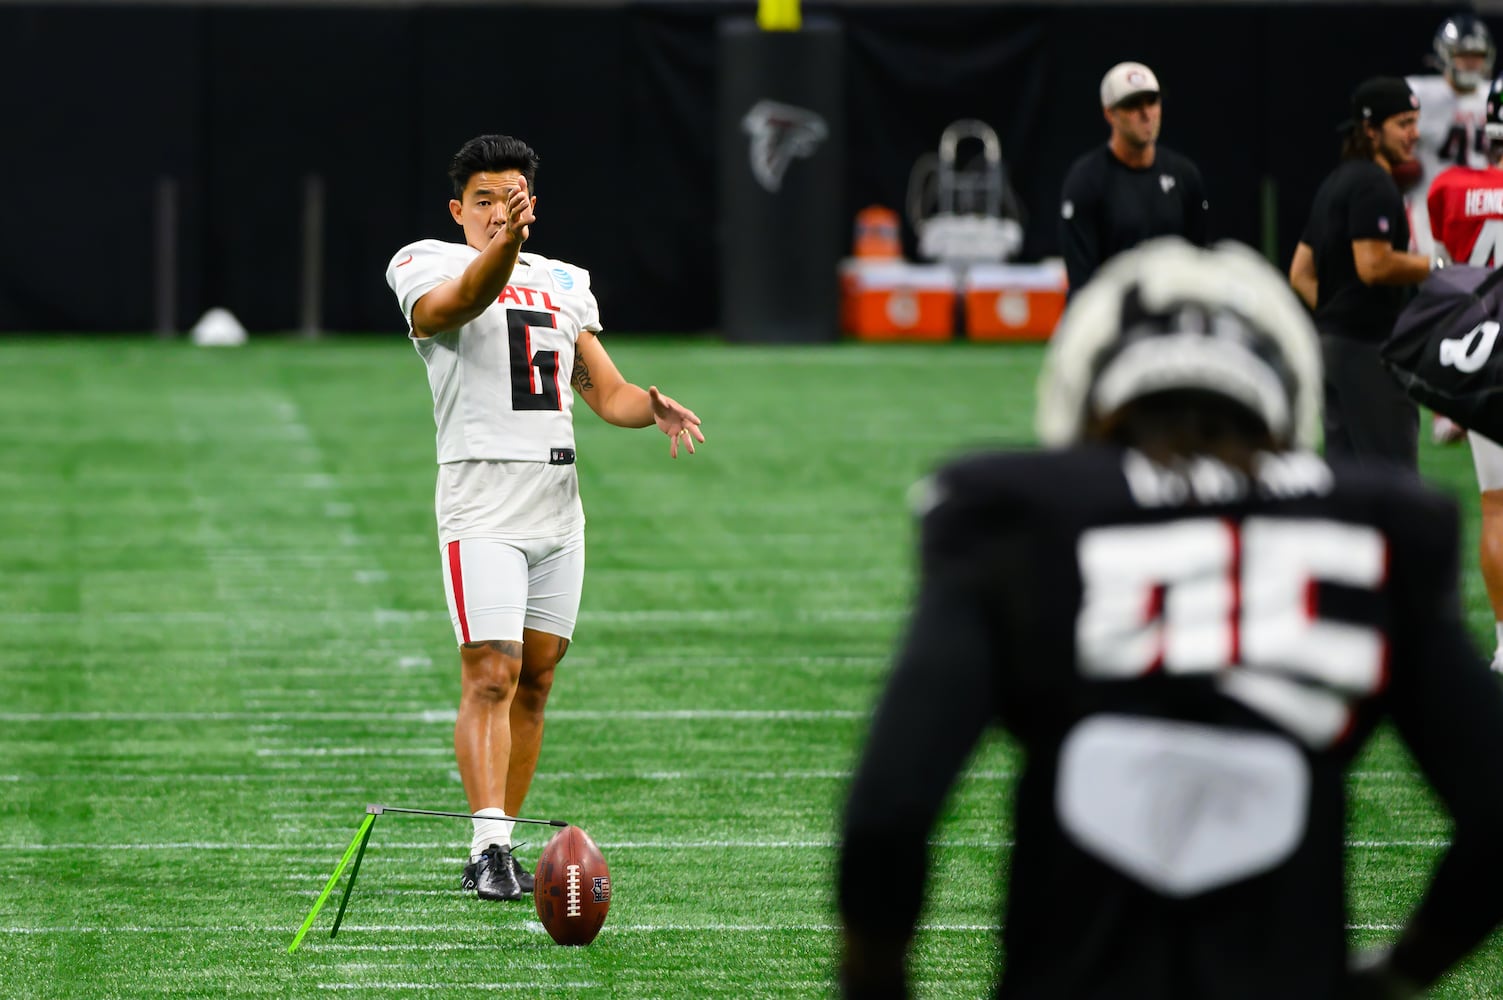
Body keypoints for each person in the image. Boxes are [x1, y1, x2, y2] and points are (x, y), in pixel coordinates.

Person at [838, 237, 1503, 999]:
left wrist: (871, 985)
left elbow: (886, 818)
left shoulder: (1014, 520)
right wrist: (1398, 973)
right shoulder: (1377, 529)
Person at [384, 134, 705, 901]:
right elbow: (460, 303)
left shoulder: (562, 281)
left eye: (512, 197)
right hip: (481, 497)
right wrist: (507, 241)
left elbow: (605, 391)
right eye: (484, 200)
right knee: (489, 670)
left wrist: (648, 407)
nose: (498, 212)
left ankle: (504, 846)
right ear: (458, 209)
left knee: (535, 680)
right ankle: (486, 845)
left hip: (558, 502)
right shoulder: (424, 260)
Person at [1289, 76, 1432, 474]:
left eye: (1415, 122)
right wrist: (1434, 265)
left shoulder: (1336, 181)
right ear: (1370, 129)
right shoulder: (1374, 184)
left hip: (1332, 348)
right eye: (1403, 123)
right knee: (1394, 481)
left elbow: (1300, 273)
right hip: (1370, 351)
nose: (1414, 134)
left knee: (1345, 482)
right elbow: (1373, 264)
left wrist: (1337, 317)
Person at [1426, 73, 1503, 672]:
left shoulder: (1450, 190)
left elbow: (1446, 282)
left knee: (1496, 508)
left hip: (1485, 358)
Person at [1407, 13, 1495, 443]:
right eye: (1464, 54)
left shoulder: (1491, 97)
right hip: (1434, 208)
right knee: (1447, 304)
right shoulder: (1419, 95)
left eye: (1478, 55)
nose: (1472, 63)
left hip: (1484, 208)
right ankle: (1445, 405)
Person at [1058, 61, 1209, 294]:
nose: (1146, 113)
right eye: (1132, 105)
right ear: (1110, 113)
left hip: (1170, 318)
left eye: (1152, 102)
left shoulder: (1184, 175)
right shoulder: (1086, 181)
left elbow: (1198, 262)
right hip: (1112, 318)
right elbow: (1082, 283)